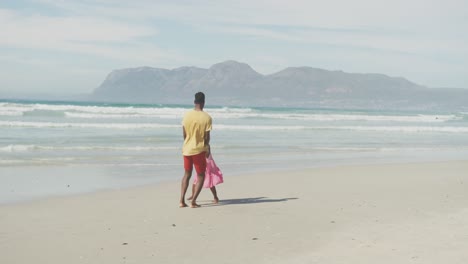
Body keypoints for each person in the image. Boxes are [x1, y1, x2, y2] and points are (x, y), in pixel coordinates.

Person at [179, 92, 212, 208]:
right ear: (204, 102)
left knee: (186, 174)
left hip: (186, 149)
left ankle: (181, 201)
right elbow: (207, 137)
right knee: (201, 175)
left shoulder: (187, 115)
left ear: (194, 102)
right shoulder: (207, 117)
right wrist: (207, 147)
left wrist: (187, 142)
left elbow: (184, 134)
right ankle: (193, 201)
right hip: (199, 150)